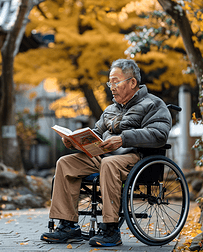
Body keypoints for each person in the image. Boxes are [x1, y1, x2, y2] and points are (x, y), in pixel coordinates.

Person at [40, 58, 172, 247]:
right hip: (104, 156)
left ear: (132, 82)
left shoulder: (153, 104)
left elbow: (159, 135)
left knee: (108, 164)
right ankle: (67, 225)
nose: (112, 86)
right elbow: (96, 133)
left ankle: (110, 229)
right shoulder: (110, 109)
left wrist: (123, 138)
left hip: (135, 157)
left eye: (116, 81)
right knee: (65, 162)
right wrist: (74, 142)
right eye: (110, 82)